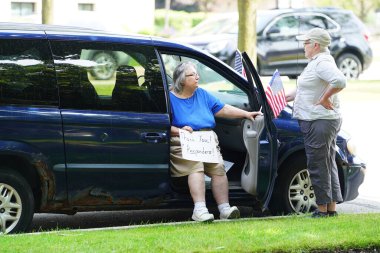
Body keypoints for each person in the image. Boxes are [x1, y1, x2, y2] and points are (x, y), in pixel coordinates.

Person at [170, 62, 262, 222]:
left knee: (218, 169)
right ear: (182, 80)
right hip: (184, 139)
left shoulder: (202, 94)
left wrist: (246, 114)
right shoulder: (170, 98)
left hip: (206, 139)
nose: (198, 77)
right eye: (193, 75)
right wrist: (179, 131)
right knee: (196, 166)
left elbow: (223, 109)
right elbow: (162, 123)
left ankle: (224, 209)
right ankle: (199, 210)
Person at [286, 28, 346, 218]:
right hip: (322, 121)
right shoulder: (317, 62)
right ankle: (330, 209)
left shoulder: (322, 63)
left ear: (315, 45)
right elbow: (309, 87)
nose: (303, 46)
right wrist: (285, 96)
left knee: (317, 165)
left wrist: (325, 98)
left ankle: (321, 210)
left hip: (319, 121)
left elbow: (340, 81)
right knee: (327, 164)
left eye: (305, 43)